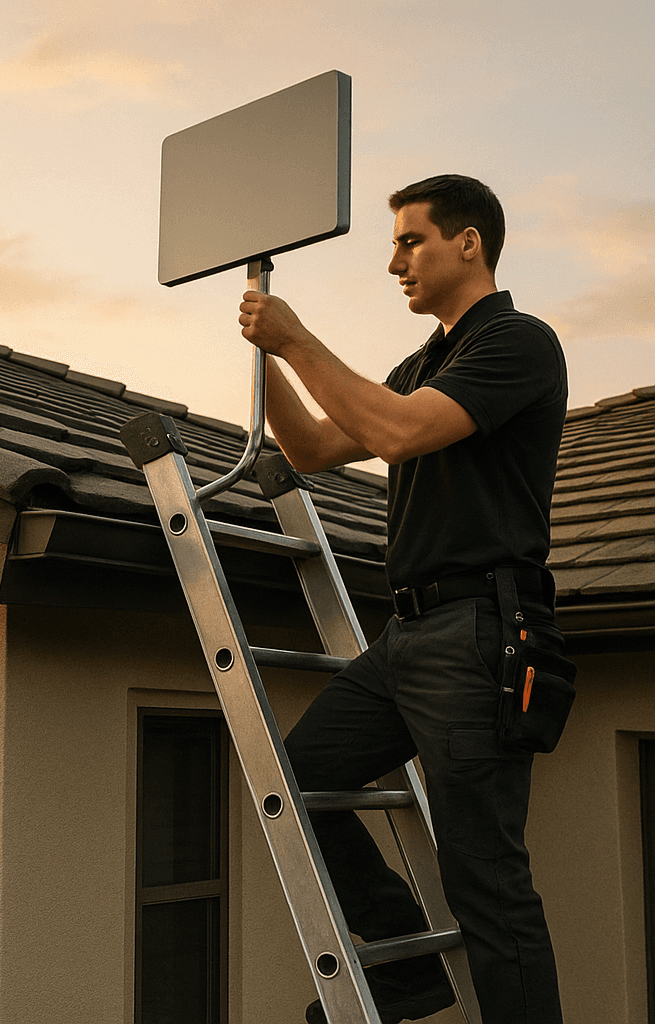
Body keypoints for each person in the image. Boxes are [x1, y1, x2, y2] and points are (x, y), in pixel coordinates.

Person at [237, 174, 568, 1024]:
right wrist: (267, 353)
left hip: (480, 630)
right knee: (295, 781)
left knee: (486, 881)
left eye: (410, 241)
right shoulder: (418, 366)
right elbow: (312, 448)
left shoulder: (519, 343)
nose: (395, 263)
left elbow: (397, 432)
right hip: (408, 635)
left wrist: (298, 335)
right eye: (395, 245)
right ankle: (407, 974)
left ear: (469, 243)